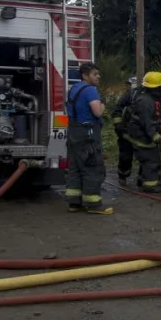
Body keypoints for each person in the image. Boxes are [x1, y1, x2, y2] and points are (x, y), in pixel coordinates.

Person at [64, 62, 112, 214]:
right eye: (95, 74)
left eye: (98, 74)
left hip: (74, 131)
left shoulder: (74, 89)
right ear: (85, 75)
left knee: (76, 167)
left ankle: (74, 203)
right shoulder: (90, 90)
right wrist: (103, 105)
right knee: (92, 167)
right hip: (88, 133)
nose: (98, 77)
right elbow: (97, 112)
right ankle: (93, 205)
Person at [125, 71, 161, 193]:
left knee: (147, 158)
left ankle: (142, 180)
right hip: (141, 135)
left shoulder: (154, 97)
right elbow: (146, 122)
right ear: (158, 87)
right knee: (151, 160)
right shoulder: (145, 101)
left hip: (144, 132)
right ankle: (150, 186)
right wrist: (155, 135)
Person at [111, 76, 138, 185]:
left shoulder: (139, 94)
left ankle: (143, 180)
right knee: (125, 155)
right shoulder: (128, 95)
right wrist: (119, 126)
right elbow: (117, 109)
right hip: (126, 130)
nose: (127, 87)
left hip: (142, 131)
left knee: (146, 157)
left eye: (129, 85)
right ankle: (123, 175)